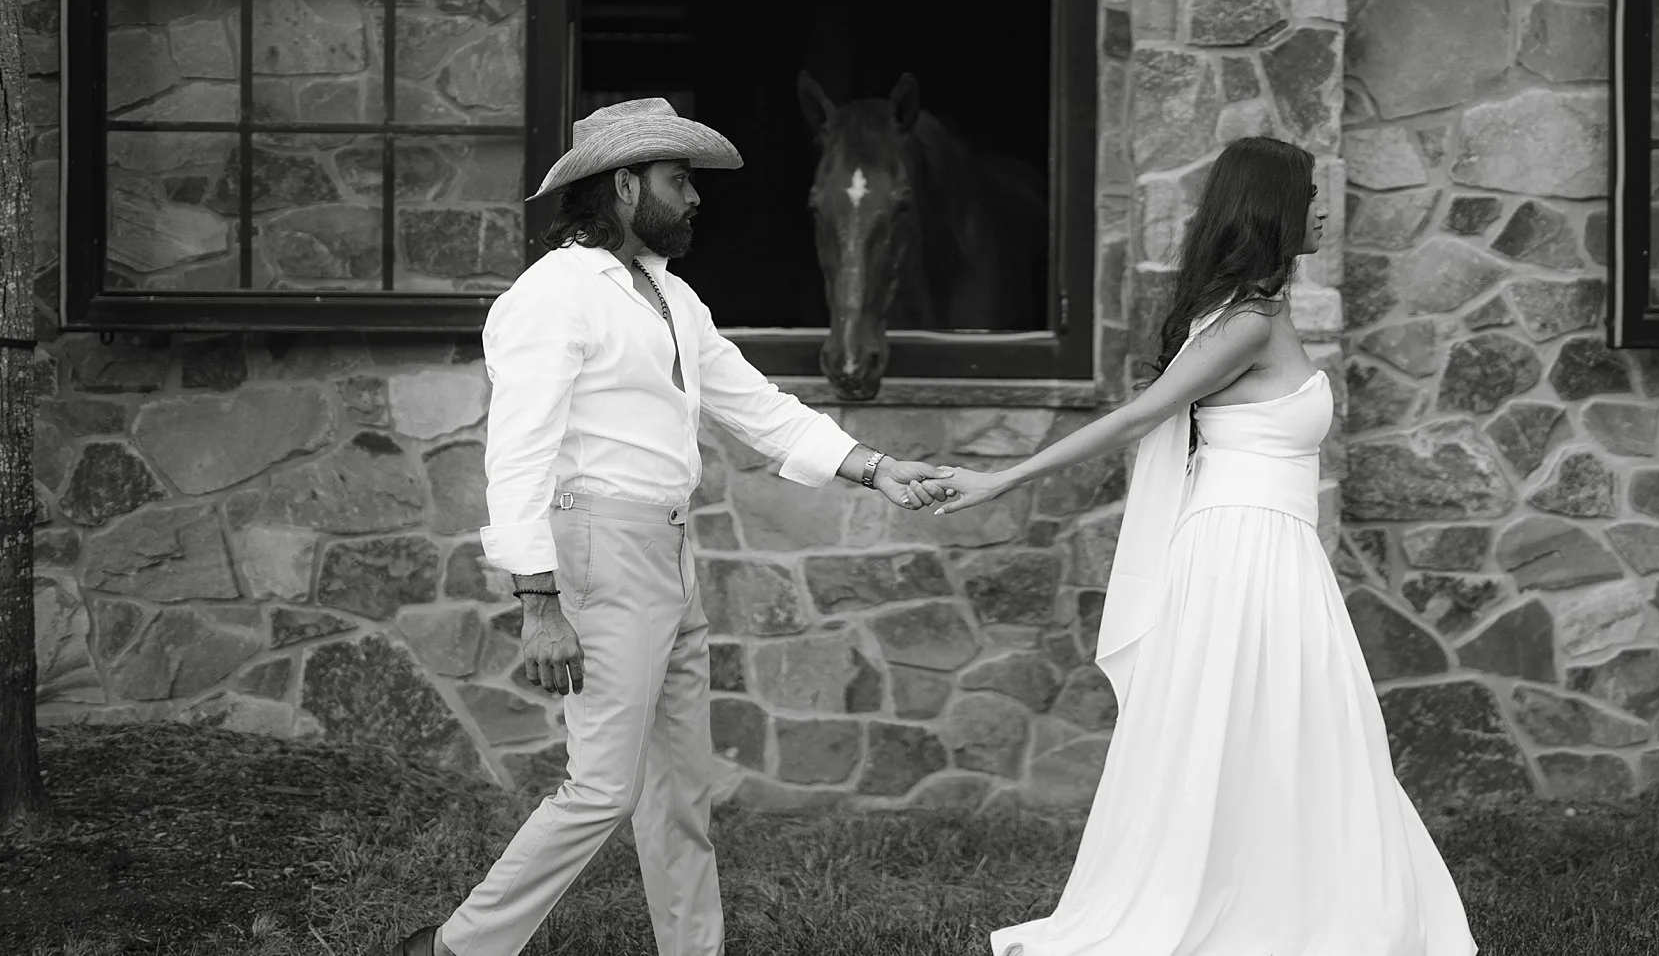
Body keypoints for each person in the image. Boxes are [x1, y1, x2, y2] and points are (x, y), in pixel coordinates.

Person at [396, 97, 953, 956]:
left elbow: (757, 407)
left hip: (669, 551)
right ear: (624, 186)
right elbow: (517, 454)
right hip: (596, 552)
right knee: (601, 791)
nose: (694, 198)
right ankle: (456, 949)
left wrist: (875, 469)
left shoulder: (669, 294)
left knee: (679, 793)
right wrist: (537, 598)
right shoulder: (552, 297)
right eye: (678, 179)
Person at [935, 135, 1476, 956]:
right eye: (1311, 195)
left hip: (1276, 553)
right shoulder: (1245, 325)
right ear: (1273, 209)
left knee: (1305, 729)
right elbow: (1137, 417)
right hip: (1240, 556)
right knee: (1254, 731)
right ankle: (1245, 908)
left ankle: (1305, 902)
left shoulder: (1265, 312)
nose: (1325, 209)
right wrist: (999, 480)